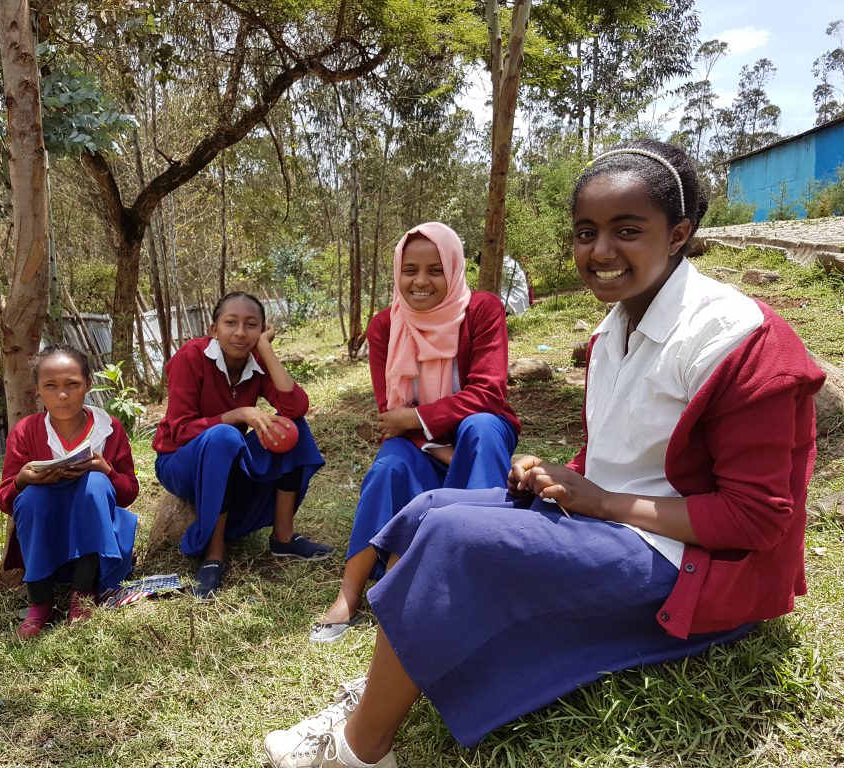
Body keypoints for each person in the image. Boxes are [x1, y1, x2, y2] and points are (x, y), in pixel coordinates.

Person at [264, 139, 825, 767]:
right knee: (428, 509)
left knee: (454, 537)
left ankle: (360, 750)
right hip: (623, 525)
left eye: (627, 230)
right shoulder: (614, 329)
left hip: (693, 564)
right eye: (586, 232)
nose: (601, 251)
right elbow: (626, 456)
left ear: (678, 234)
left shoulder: (739, 339)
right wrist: (564, 476)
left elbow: (755, 519)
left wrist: (602, 499)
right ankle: (376, 692)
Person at [311, 221, 521, 643]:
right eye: (410, 270)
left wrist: (420, 419)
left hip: (477, 434)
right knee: (388, 467)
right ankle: (350, 594)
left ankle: (480, 571)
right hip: (414, 442)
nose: (421, 282)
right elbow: (393, 417)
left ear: (454, 268)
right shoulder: (385, 326)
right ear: (397, 273)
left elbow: (489, 393)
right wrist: (430, 442)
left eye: (435, 269)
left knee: (480, 428)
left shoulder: (481, 309)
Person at [154, 291, 329, 599]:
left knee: (291, 428)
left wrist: (265, 350)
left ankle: (284, 537)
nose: (240, 332)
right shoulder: (191, 357)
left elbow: (297, 406)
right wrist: (236, 414)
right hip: (180, 461)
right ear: (214, 330)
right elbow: (179, 431)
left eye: (251, 325)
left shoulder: (257, 360)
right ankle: (213, 554)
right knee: (225, 435)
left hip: (227, 457)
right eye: (230, 322)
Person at [0, 344, 139, 641]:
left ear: (87, 384)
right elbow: (6, 500)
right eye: (51, 386)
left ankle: (82, 593)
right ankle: (40, 601)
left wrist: (107, 471)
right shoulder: (26, 431)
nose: (62, 395)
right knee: (32, 497)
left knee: (96, 484)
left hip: (94, 546)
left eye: (72, 384)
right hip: (50, 544)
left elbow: (128, 493)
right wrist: (22, 480)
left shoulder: (108, 429)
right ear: (38, 390)